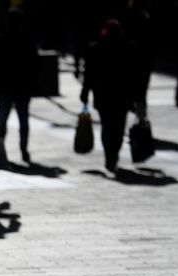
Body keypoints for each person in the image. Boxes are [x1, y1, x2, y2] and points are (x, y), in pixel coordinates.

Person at [80, 19, 135, 173]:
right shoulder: (127, 48)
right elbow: (133, 75)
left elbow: (88, 74)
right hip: (121, 96)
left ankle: (109, 155)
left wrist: (85, 92)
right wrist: (136, 97)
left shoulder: (96, 49)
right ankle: (113, 154)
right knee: (118, 127)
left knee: (107, 127)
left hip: (103, 95)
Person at [0, 8, 39, 164]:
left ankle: (0, 148)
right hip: (22, 86)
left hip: (5, 87)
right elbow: (35, 63)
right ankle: (24, 150)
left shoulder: (2, 39)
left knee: (3, 119)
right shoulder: (26, 39)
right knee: (23, 120)